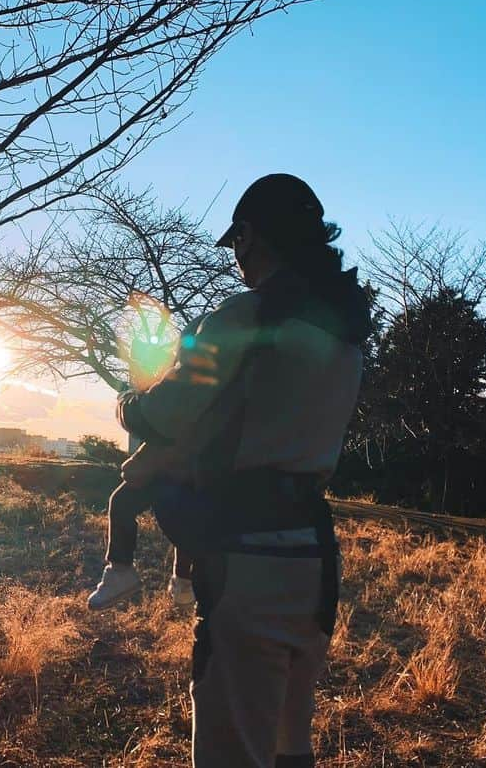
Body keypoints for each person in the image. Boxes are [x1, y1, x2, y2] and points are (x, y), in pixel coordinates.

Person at [116, 173, 371, 768]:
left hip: (247, 557)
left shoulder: (243, 316)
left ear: (251, 236)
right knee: (290, 745)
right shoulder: (346, 328)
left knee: (232, 750)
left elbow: (165, 414)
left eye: (236, 246)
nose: (235, 261)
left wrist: (130, 400)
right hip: (314, 558)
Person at [87, 318, 204, 611]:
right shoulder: (227, 383)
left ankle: (122, 570)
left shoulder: (184, 381)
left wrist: (127, 397)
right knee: (185, 527)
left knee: (125, 502)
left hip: (175, 467)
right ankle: (182, 582)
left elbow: (148, 417)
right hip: (204, 469)